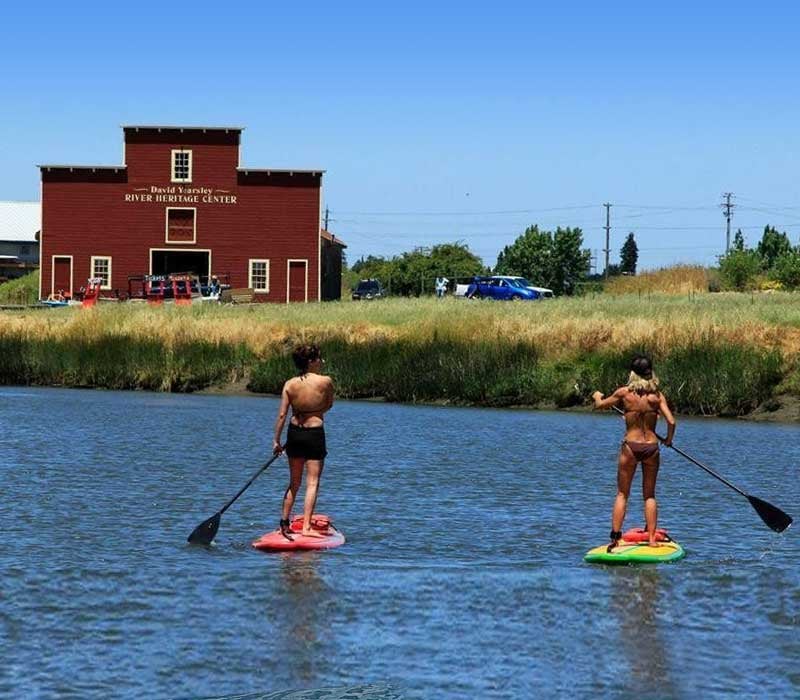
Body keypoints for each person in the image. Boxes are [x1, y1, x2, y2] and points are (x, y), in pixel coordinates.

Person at [592, 355, 676, 551]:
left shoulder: (624, 393)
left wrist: (596, 395)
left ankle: (615, 538)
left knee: (622, 493)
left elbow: (600, 405)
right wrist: (668, 439)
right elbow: (671, 421)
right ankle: (652, 539)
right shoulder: (657, 396)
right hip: (651, 447)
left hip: (630, 446)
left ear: (633, 374)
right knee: (649, 495)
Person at [273, 344, 334, 539]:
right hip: (314, 433)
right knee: (312, 482)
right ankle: (306, 527)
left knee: (294, 482)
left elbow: (282, 415)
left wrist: (276, 441)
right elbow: (329, 405)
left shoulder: (289, 384)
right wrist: (314, 410)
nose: (321, 361)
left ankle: (284, 523)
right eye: (319, 358)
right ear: (311, 361)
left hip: (294, 434)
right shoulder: (325, 381)